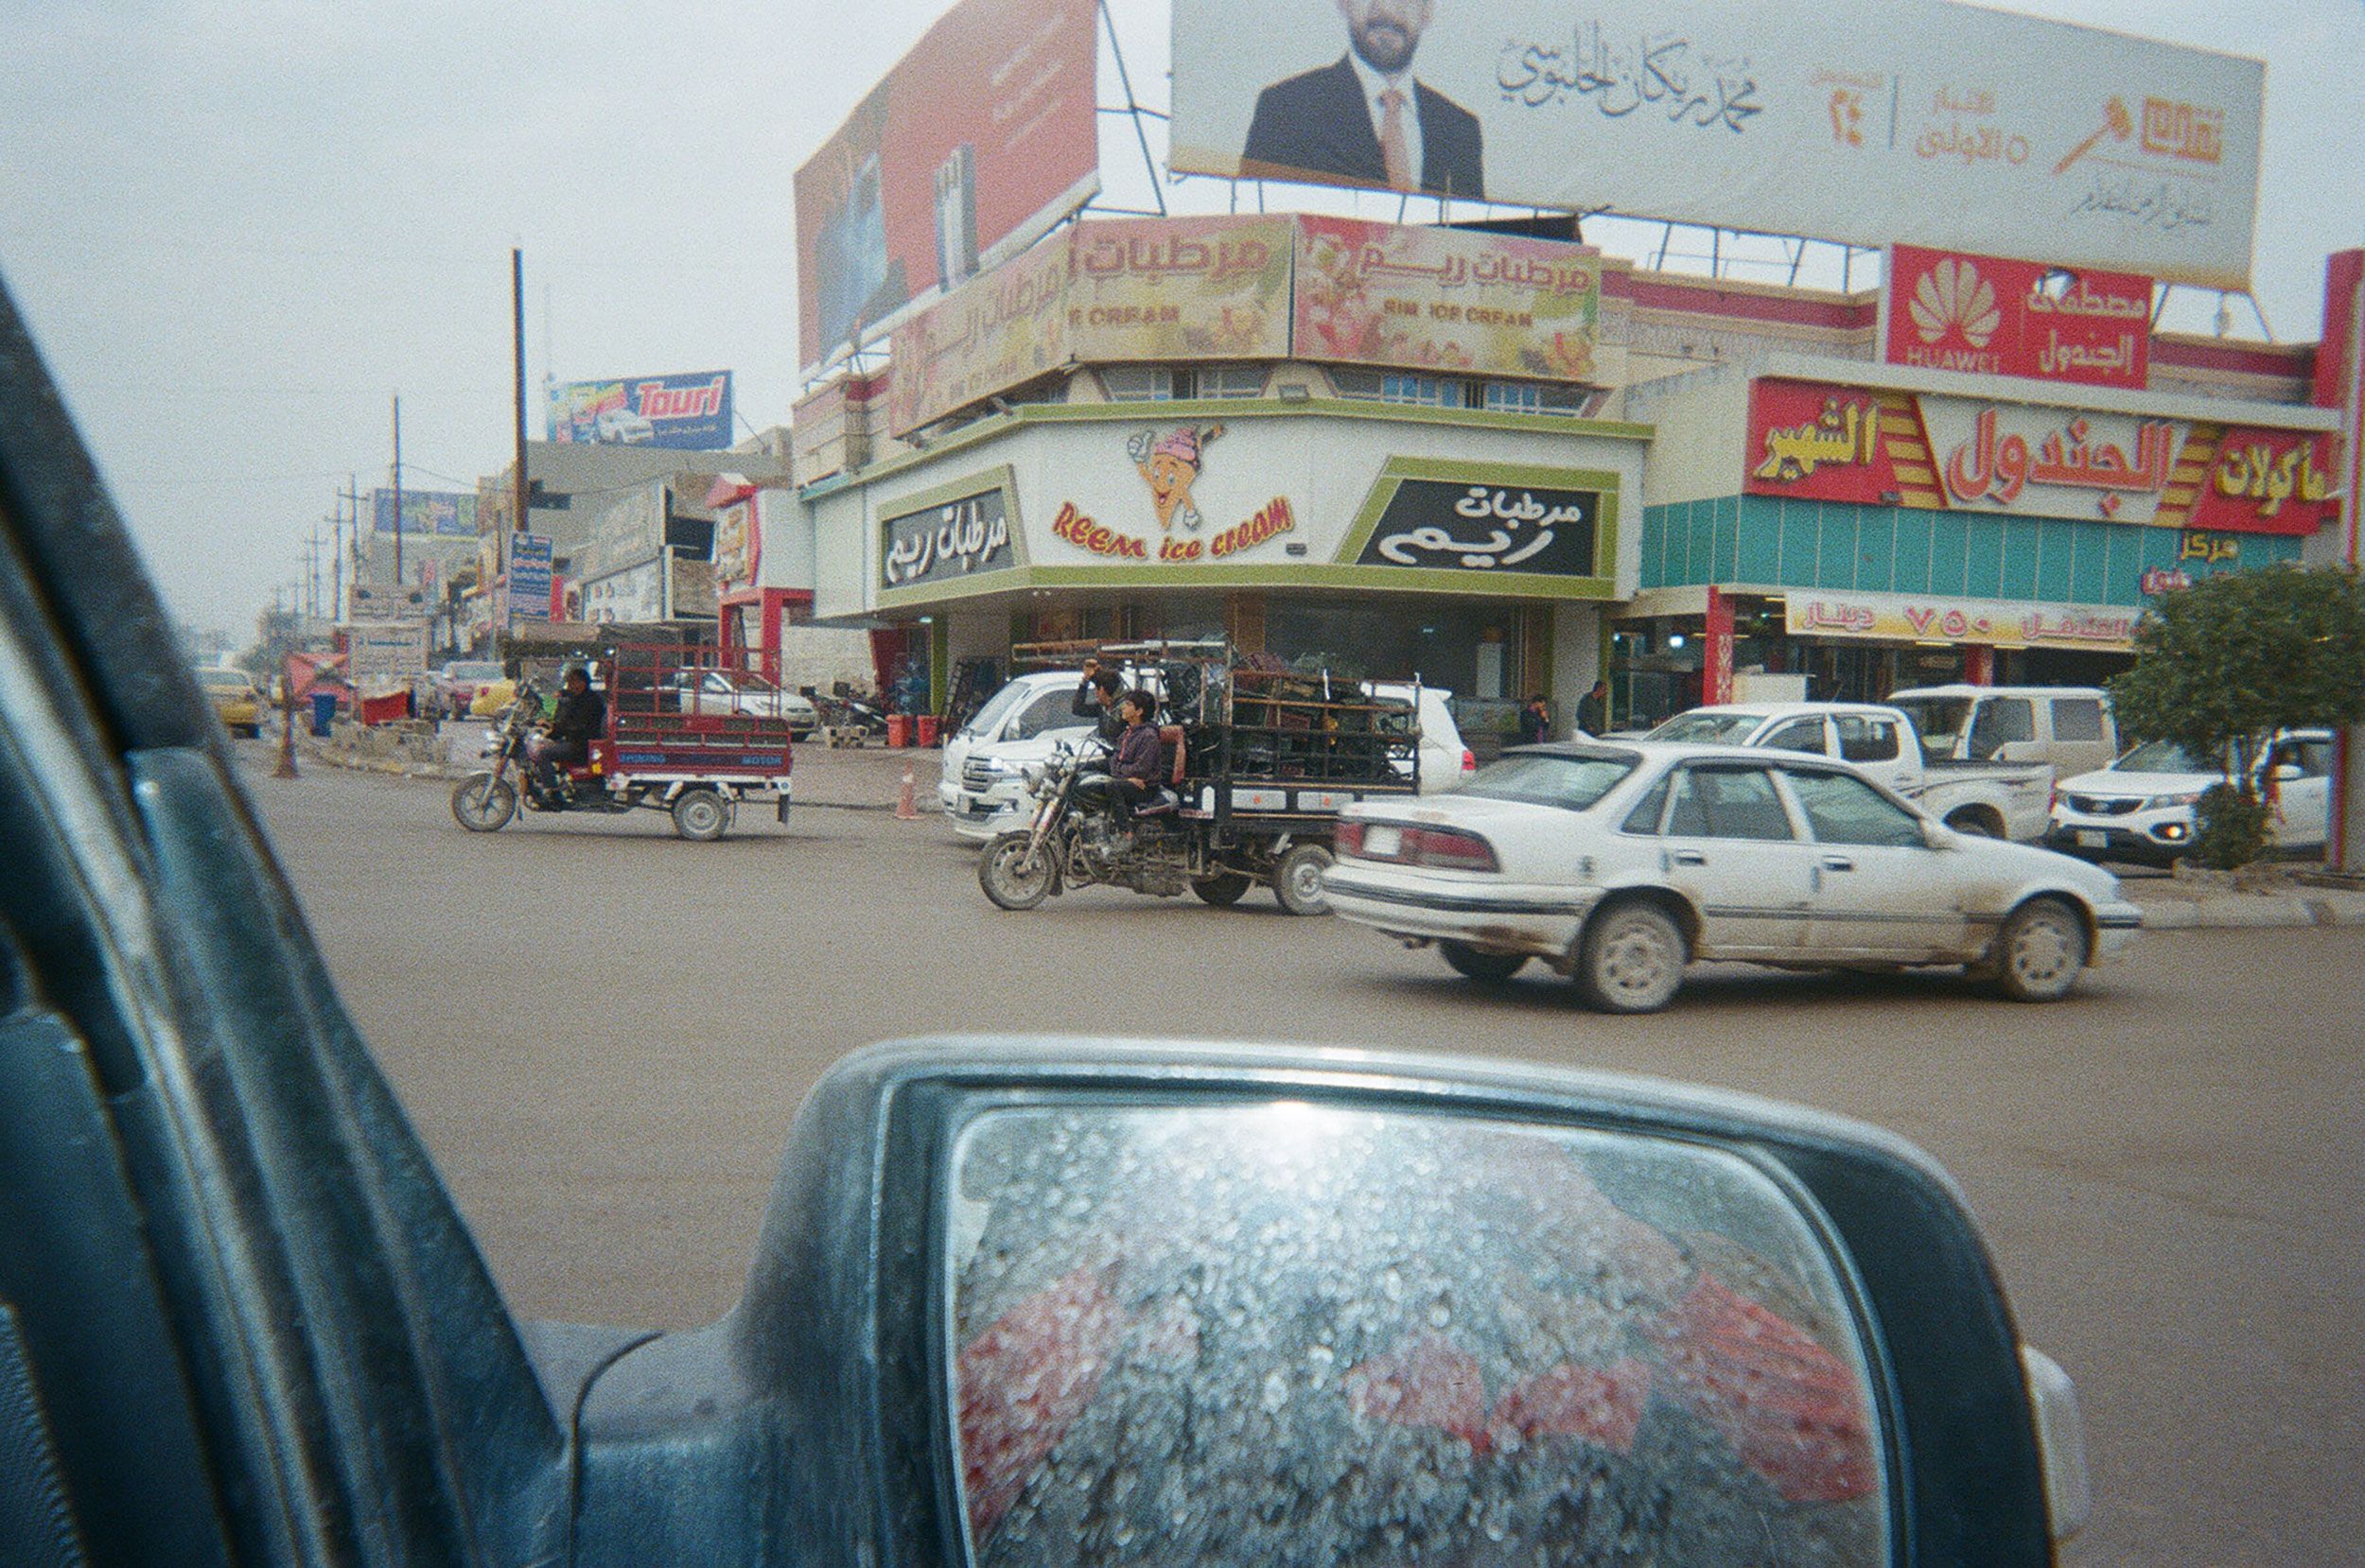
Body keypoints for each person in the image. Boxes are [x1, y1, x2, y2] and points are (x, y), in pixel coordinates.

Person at [1242, 0, 1483, 200]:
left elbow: (1476, 242)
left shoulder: (1460, 129)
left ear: (1427, 11)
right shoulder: (1288, 107)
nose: (1387, 10)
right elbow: (1257, 223)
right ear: (1343, 4)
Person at [528, 664, 604, 792]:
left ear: (582, 683)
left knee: (544, 754)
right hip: (577, 740)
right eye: (568, 681)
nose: (569, 685)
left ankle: (551, 790)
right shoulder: (580, 698)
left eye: (572, 681)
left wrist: (554, 730)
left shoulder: (590, 701)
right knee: (546, 745)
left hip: (581, 744)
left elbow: (576, 725)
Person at [1071, 660, 1127, 744]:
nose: (1096, 694)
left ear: (1103, 690)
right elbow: (1078, 709)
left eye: (1097, 690)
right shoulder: (1102, 708)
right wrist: (1085, 682)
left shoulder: (1126, 709)